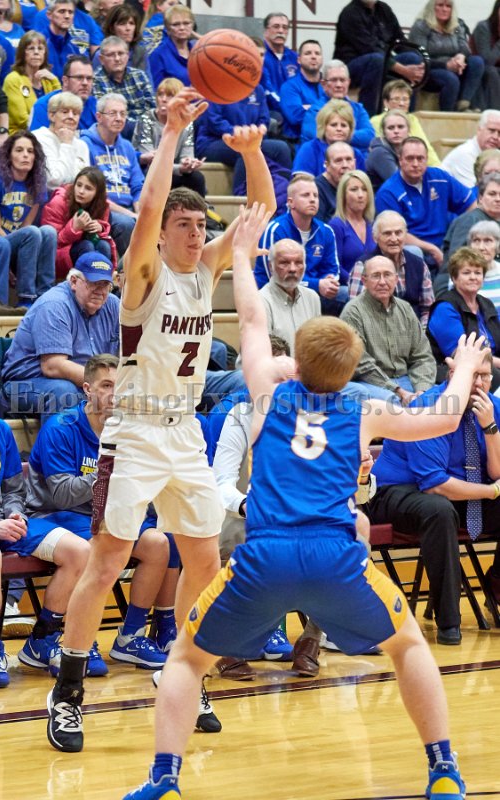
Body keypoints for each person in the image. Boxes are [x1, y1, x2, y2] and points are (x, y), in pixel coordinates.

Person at [121, 200, 482, 800]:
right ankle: (443, 768)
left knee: (184, 658)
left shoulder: (268, 394)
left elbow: (252, 322)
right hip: (335, 556)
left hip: (264, 556)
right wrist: (464, 366)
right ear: (349, 369)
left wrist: (242, 254)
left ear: (296, 363)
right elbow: (445, 416)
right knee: (406, 646)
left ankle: (165, 778)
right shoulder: (363, 410)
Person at [46, 87, 277, 754]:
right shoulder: (144, 276)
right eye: (186, 225)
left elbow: (259, 212)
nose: (197, 234)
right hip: (137, 430)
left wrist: (252, 152)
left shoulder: (206, 269)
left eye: (201, 225)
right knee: (106, 562)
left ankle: (183, 673)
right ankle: (67, 693)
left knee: (202, 560)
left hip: (185, 431)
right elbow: (146, 208)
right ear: (166, 232)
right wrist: (172, 130)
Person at [0, 349, 105, 693]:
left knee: (79, 551)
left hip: (6, 520)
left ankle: (43, 638)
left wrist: (14, 513)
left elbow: (14, 489)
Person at [24, 353, 169, 671]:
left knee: (159, 544)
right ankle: (76, 638)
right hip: (56, 516)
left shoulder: (131, 430)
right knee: (96, 548)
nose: (115, 394)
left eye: (121, 386)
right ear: (87, 389)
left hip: (105, 516)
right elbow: (62, 495)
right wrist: (106, 471)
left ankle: (130, 637)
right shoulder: (61, 428)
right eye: (106, 385)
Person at [368, 345, 500, 646]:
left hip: (460, 493)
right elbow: (435, 484)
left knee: (443, 508)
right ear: (454, 374)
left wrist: (490, 427)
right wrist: (492, 492)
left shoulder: (493, 406)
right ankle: (448, 621)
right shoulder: (429, 406)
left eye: (484, 376)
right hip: (398, 491)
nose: (478, 384)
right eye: (472, 375)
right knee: (438, 509)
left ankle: (497, 585)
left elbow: (497, 472)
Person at [0, 251, 119, 418]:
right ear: (74, 281)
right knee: (65, 392)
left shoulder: (113, 305)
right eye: (94, 283)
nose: (100, 291)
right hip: (27, 383)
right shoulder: (54, 304)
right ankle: (57, 437)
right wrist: (102, 384)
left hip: (84, 382)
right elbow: (53, 366)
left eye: (105, 285)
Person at [0, 129, 56, 307]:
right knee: (25, 235)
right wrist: (7, 263)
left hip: (13, 242)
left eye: (30, 151)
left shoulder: (38, 183)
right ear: (8, 155)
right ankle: (26, 298)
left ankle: (45, 297)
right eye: (19, 150)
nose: (25, 155)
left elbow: (25, 227)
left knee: (48, 232)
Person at [341, 255, 436, 403]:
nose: (382, 282)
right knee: (392, 401)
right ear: (364, 281)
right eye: (376, 276)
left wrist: (422, 390)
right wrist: (399, 392)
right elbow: (361, 364)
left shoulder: (405, 309)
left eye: (387, 275)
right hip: (371, 384)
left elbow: (422, 355)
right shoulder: (353, 312)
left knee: (442, 397)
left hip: (408, 380)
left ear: (396, 279)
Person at [376, 136, 476, 275]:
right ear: (400, 160)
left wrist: (462, 234)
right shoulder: (388, 192)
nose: (415, 163)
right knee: (414, 252)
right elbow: (394, 235)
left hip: (445, 244)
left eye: (420, 158)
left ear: (427, 159)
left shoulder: (439, 177)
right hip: (413, 249)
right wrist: (431, 249)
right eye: (410, 158)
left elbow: (472, 205)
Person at [254, 173, 345, 316]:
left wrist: (329, 282)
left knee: (347, 295)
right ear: (291, 203)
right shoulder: (275, 230)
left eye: (315, 195)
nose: (312, 199)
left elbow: (332, 269)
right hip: (275, 294)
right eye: (305, 195)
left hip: (314, 294)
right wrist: (317, 284)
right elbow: (274, 276)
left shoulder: (326, 231)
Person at [195, 83, 291, 203]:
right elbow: (213, 121)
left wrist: (257, 132)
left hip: (249, 139)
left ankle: (287, 194)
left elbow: (264, 119)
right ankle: (242, 198)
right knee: (243, 150)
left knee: (281, 148)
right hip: (213, 142)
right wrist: (238, 134)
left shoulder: (257, 89)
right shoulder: (216, 84)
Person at [334, 0, 425, 116]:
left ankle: (406, 117)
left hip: (381, 62)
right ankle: (368, 116)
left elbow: (399, 40)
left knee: (412, 58)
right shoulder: (350, 13)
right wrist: (404, 71)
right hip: (351, 67)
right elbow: (369, 48)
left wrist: (420, 62)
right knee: (376, 60)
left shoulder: (384, 9)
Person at [428, 247, 500, 391]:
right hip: (457, 373)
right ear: (454, 278)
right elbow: (462, 356)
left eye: (478, 273)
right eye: (466, 273)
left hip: (489, 369)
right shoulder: (444, 308)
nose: (473, 277)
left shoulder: (486, 303)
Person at [81, 92, 144, 257]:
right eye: (113, 113)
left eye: (122, 114)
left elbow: (137, 186)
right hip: (102, 210)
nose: (119, 118)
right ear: (99, 117)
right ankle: (126, 270)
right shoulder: (85, 144)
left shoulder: (127, 147)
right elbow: (94, 194)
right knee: (127, 224)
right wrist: (133, 216)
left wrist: (140, 212)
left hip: (129, 208)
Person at [348, 210, 434, 327]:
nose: (394, 239)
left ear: (405, 235)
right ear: (375, 237)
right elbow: (357, 311)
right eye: (387, 233)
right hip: (377, 331)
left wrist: (421, 331)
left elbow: (427, 309)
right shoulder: (363, 266)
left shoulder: (419, 265)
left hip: (414, 330)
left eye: (398, 233)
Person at [133, 77, 206, 197]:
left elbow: (186, 155)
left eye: (170, 96)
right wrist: (180, 169)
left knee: (197, 178)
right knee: (161, 177)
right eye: (160, 95)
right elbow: (151, 162)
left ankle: (200, 208)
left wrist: (189, 163)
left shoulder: (186, 121)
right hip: (149, 171)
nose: (163, 99)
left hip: (173, 169)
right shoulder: (145, 119)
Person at [41, 166, 116, 279]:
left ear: (97, 193)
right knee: (86, 246)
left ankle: (102, 282)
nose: (81, 191)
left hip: (83, 247)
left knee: (104, 246)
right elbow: (51, 242)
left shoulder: (102, 205)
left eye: (88, 188)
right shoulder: (59, 201)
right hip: (57, 255)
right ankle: (84, 284)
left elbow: (103, 234)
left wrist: (100, 228)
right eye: (79, 185)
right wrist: (73, 228)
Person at [409, 0, 484, 112]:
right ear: (432, 7)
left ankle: (464, 103)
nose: (444, 9)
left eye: (448, 6)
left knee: (477, 61)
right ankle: (448, 113)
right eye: (440, 5)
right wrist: (446, 66)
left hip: (455, 66)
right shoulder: (421, 26)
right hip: (431, 69)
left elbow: (465, 48)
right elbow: (420, 56)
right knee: (450, 78)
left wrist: (461, 56)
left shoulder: (457, 25)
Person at [258, 239, 321, 355]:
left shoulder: (312, 298)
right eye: (284, 263)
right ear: (271, 267)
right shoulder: (259, 301)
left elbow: (316, 346)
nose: (293, 269)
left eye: (298, 262)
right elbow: (262, 355)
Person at [300, 60, 375, 152]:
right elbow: (318, 137)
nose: (339, 85)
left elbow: (369, 136)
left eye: (342, 80)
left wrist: (337, 135)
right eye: (334, 80)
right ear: (323, 84)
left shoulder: (358, 109)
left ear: (348, 82)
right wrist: (348, 136)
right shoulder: (314, 111)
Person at [93, 35, 154, 140]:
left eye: (121, 53)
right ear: (101, 59)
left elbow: (152, 109)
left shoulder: (139, 75)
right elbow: (107, 118)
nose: (117, 59)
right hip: (115, 136)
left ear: (128, 56)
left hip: (147, 133)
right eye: (111, 55)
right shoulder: (95, 81)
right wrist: (140, 127)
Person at [370, 79, 441, 167]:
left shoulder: (412, 119)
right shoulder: (376, 121)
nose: (401, 103)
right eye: (396, 99)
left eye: (405, 99)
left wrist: (438, 167)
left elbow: (426, 147)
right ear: (386, 103)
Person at [2, 30, 60, 134]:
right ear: (22, 53)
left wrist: (55, 80)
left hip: (48, 133)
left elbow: (62, 106)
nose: (36, 52)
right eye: (31, 48)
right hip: (19, 135)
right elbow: (23, 120)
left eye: (40, 48)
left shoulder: (48, 80)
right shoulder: (13, 79)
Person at [32, 91, 90, 190]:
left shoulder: (82, 145)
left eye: (75, 113)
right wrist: (66, 144)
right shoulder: (38, 138)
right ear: (51, 115)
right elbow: (53, 181)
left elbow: (86, 183)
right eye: (65, 112)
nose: (71, 117)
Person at [293, 99, 366, 177]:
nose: (339, 129)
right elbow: (301, 182)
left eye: (343, 125)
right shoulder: (309, 149)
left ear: (350, 129)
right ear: (323, 127)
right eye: (333, 125)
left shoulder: (356, 154)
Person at [328, 169, 375, 283]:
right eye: (354, 190)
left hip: (373, 285)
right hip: (347, 286)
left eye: (364, 189)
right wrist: (358, 283)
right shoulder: (336, 225)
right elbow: (335, 267)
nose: (360, 195)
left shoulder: (371, 224)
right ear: (343, 195)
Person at [29, 54, 96, 132]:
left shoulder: (95, 104)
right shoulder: (44, 105)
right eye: (79, 78)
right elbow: (38, 138)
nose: (85, 83)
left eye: (89, 78)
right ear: (65, 81)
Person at [443, 171, 500, 260]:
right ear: (480, 198)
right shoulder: (469, 220)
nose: (498, 199)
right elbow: (458, 258)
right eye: (492, 194)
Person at [279, 39, 324, 144]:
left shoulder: (329, 84)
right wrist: (326, 110)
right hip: (299, 143)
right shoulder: (289, 87)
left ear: (322, 59)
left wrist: (309, 108)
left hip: (329, 140)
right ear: (299, 60)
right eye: (308, 53)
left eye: (317, 53)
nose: (313, 57)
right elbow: (295, 117)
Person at [441, 109, 500, 188]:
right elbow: (472, 193)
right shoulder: (465, 154)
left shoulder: (496, 154)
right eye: (491, 131)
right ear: (479, 130)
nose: (495, 137)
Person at [31, 0, 81, 81]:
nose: (67, 16)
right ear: (49, 15)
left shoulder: (74, 47)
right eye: (62, 11)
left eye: (70, 12)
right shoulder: (38, 43)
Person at [148, 4, 195, 89]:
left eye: (186, 23)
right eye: (176, 24)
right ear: (167, 29)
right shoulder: (158, 55)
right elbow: (157, 91)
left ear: (192, 25)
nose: (182, 28)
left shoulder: (198, 52)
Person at [93, 3, 150, 74]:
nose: (128, 28)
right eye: (122, 24)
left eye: (131, 23)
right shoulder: (101, 54)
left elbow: (147, 79)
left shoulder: (140, 52)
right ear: (112, 28)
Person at [260, 12, 298, 116]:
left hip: (293, 111)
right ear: (266, 31)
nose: (281, 31)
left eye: (285, 27)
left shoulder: (295, 58)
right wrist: (289, 108)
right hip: (269, 112)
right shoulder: (260, 55)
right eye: (276, 27)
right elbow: (267, 90)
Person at [366, 109, 410, 192]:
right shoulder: (379, 153)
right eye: (391, 128)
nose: (396, 131)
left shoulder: (409, 150)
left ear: (408, 130)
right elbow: (399, 184)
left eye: (400, 127)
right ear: (384, 132)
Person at [314, 141, 356, 223]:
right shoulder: (316, 189)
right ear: (327, 165)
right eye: (338, 161)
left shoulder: (359, 185)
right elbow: (317, 226)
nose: (345, 165)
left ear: (354, 163)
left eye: (348, 159)